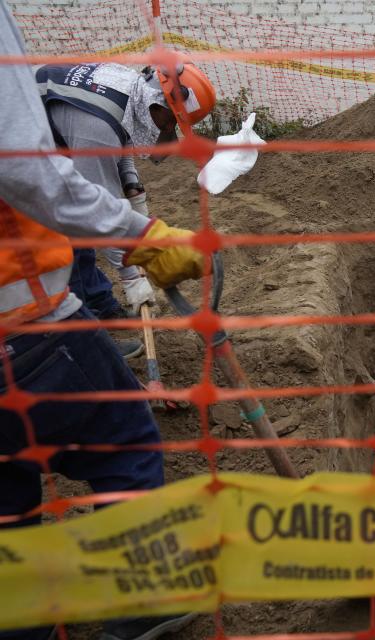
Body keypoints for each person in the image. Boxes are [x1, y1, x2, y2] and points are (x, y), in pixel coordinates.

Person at [0, 2, 206, 637]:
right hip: (21, 307)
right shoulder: (98, 118)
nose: (172, 138)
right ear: (162, 104)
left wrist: (138, 222)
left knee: (7, 495)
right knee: (124, 443)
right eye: (172, 126)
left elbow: (120, 175)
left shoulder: (120, 95)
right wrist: (140, 245)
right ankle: (137, 605)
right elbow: (50, 185)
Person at [36, 53, 215, 358]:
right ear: (159, 101)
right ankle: (86, 339)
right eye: (171, 121)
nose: (166, 130)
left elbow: (120, 137)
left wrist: (131, 183)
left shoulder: (125, 85)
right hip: (17, 149)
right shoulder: (96, 128)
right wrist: (132, 278)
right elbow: (97, 209)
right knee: (62, 237)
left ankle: (100, 305)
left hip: (49, 137)